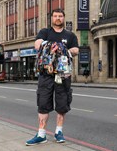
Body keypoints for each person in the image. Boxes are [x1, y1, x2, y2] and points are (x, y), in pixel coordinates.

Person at [26, 8, 79, 146]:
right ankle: (41, 134)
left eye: (60, 16)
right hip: (46, 74)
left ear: (63, 18)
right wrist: (49, 45)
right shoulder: (45, 32)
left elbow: (76, 50)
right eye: (55, 16)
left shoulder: (70, 35)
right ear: (52, 18)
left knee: (62, 104)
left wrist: (65, 49)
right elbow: (37, 45)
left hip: (63, 74)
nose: (58, 18)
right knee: (43, 103)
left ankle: (58, 132)